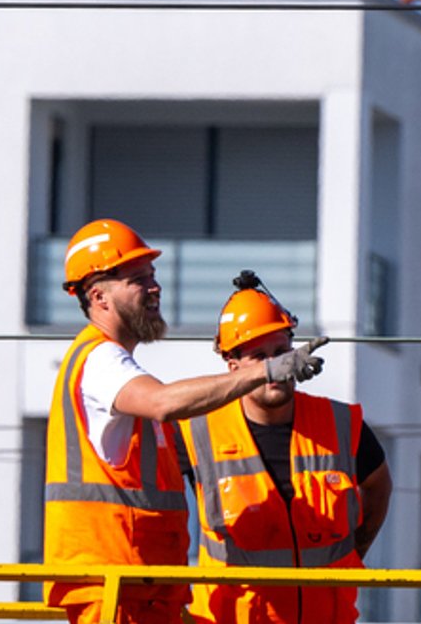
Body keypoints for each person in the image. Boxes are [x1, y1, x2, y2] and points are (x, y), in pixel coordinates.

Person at [45, 219, 326, 624]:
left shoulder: (106, 364)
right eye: (138, 279)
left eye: (153, 276)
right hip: (116, 592)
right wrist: (265, 371)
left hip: (140, 592)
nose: (155, 287)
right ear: (99, 296)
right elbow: (162, 402)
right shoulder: (99, 361)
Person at [179, 272, 391, 624]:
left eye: (281, 353)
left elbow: (379, 486)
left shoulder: (340, 423)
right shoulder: (195, 433)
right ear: (233, 368)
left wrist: (353, 555)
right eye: (260, 358)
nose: (276, 367)